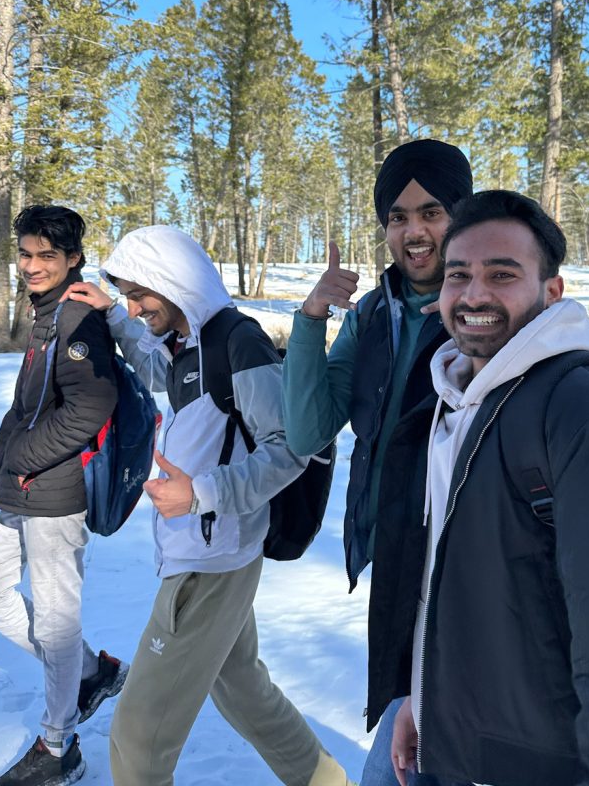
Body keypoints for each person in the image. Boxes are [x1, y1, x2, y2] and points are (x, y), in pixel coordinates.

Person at [390, 190, 589, 786]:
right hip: (460, 745)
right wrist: (425, 699)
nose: (475, 293)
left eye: (502, 274)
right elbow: (453, 590)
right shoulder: (456, 402)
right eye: (459, 275)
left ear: (552, 292)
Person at [63, 224, 354, 786]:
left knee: (137, 740)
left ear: (171, 282)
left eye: (138, 293)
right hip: (208, 547)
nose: (133, 304)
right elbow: (162, 374)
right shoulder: (190, 341)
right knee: (243, 689)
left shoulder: (236, 341)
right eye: (125, 294)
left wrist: (201, 493)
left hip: (209, 563)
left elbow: (292, 446)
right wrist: (118, 320)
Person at [282, 139, 474, 786]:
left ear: (462, 214)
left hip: (455, 571)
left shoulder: (481, 317)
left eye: (431, 212)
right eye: (397, 216)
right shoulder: (372, 315)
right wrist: (311, 317)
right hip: (390, 554)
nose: (413, 231)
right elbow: (309, 427)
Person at [0, 205, 126, 786]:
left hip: (55, 494)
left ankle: (57, 746)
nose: (33, 265)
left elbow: (93, 403)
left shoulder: (75, 318)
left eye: (46, 256)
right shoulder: (46, 312)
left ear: (73, 260)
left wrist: (26, 457)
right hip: (30, 489)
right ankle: (90, 671)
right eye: (26, 254)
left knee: (57, 620)